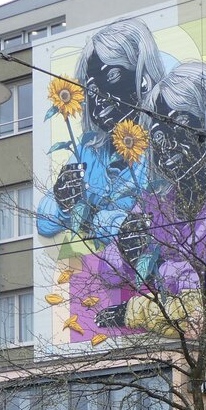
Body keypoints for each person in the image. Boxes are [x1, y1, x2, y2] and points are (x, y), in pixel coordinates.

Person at [90, 61, 206, 340]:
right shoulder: (154, 201)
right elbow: (108, 271)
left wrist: (162, 269)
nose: (165, 143)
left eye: (178, 124)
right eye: (157, 133)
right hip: (155, 351)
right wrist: (124, 246)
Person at [36, 18, 168, 245]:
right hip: (100, 275)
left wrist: (98, 220)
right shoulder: (90, 149)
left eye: (113, 77)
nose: (99, 95)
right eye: (92, 88)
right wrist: (63, 200)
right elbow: (45, 222)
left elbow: (155, 221)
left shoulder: (163, 145)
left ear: (143, 79)